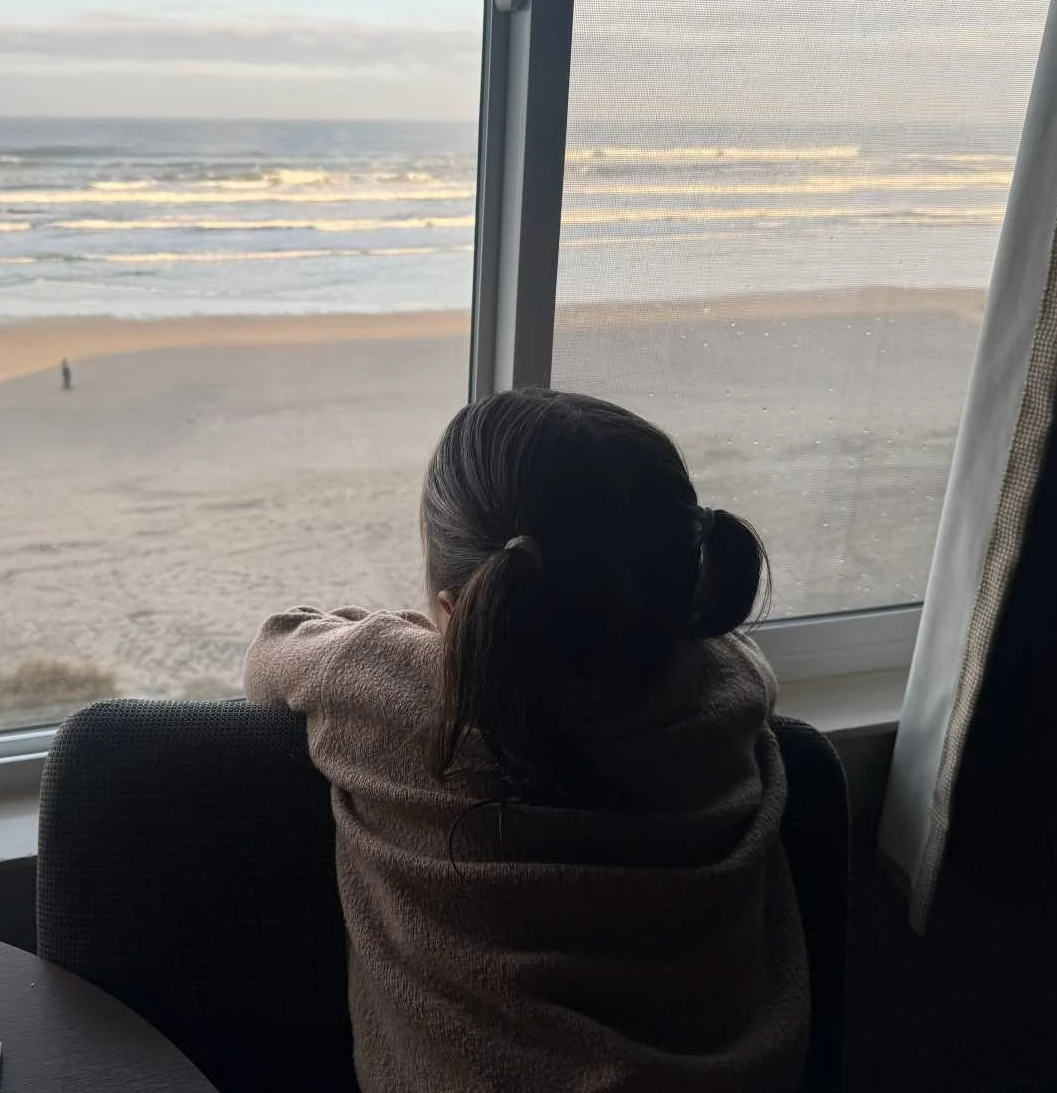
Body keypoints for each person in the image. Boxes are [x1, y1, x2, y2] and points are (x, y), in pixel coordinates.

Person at [245, 388, 809, 1092]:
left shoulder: (385, 687)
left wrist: (426, 644)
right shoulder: (728, 690)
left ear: (454, 609)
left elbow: (275, 647)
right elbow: (730, 661)